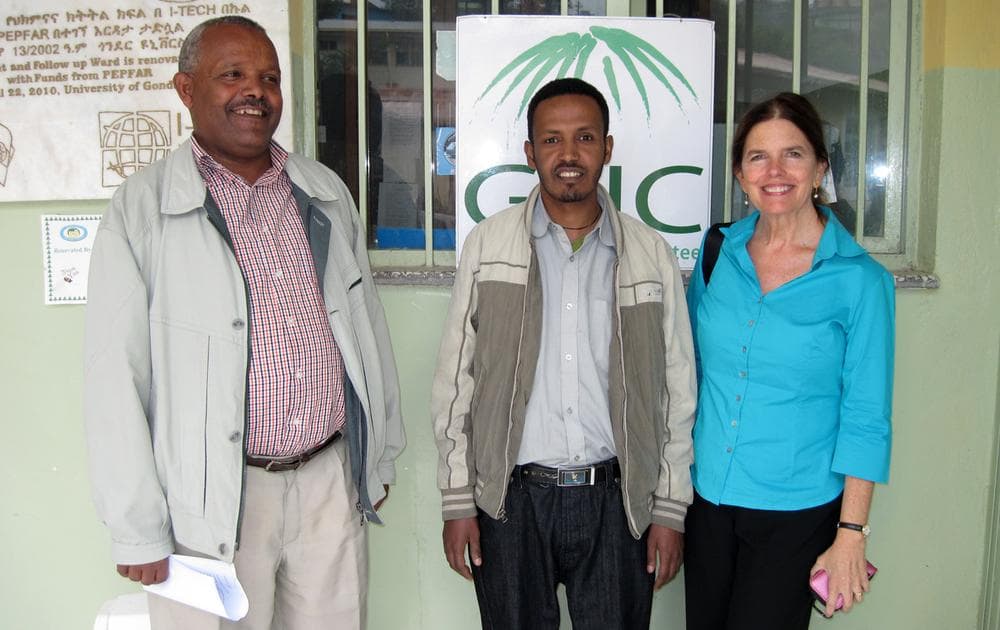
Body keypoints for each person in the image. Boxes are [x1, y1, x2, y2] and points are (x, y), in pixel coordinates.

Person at [83, 16, 404, 630]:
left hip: (327, 484)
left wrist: (377, 458)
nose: (255, 92)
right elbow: (112, 377)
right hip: (210, 503)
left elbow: (366, 334)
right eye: (232, 75)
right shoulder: (143, 209)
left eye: (269, 78)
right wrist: (135, 529)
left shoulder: (324, 191)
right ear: (185, 89)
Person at [431, 78, 697, 629]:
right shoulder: (488, 245)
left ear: (607, 148)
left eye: (585, 137)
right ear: (530, 152)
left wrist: (670, 506)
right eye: (552, 140)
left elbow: (677, 388)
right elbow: (456, 381)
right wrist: (458, 499)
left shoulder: (650, 253)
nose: (569, 154)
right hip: (511, 502)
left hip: (619, 505)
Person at [684, 92, 894, 629]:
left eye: (793, 154)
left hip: (796, 512)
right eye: (758, 157)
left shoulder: (860, 280)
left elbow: (867, 416)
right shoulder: (716, 253)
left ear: (821, 167)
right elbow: (689, 373)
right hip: (707, 498)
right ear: (739, 173)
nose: (775, 171)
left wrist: (851, 535)